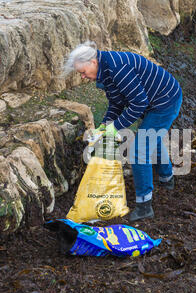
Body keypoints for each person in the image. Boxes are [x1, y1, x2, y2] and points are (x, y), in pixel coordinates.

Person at [63, 41, 182, 222]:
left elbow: (139, 103)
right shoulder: (105, 71)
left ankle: (144, 206)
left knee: (139, 150)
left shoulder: (118, 69)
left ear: (93, 62)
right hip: (152, 101)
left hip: (165, 101)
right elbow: (117, 102)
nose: (82, 77)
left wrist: (116, 126)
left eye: (83, 72)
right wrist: (105, 124)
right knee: (150, 138)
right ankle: (167, 179)